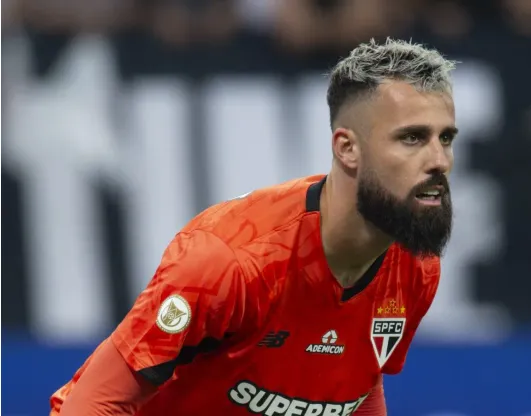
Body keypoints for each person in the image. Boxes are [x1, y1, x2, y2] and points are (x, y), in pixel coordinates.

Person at [50, 38, 459, 416]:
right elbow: (93, 404)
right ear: (347, 149)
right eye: (412, 138)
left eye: (445, 138)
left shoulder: (415, 267)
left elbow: (356, 381)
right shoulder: (225, 263)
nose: (440, 160)